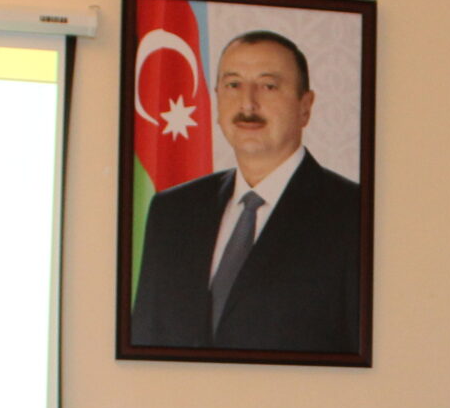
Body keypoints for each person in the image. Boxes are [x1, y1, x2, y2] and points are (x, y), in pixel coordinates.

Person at [129, 29, 364, 354]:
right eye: (233, 85)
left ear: (305, 106)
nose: (248, 103)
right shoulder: (173, 211)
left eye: (268, 86)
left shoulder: (356, 215)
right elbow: (145, 340)